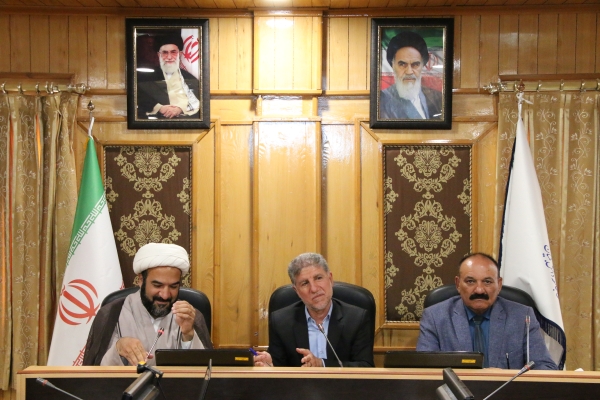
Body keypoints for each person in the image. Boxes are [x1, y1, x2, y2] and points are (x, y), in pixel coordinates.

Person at [417, 253, 557, 370]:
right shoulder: (435, 317)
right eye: (470, 281)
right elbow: (424, 369)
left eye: (487, 282)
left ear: (499, 285)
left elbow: (546, 367)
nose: (479, 290)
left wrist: (505, 378)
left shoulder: (521, 316)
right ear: (458, 284)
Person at [82, 243, 212, 366]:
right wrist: (118, 348)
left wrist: (188, 335)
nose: (165, 295)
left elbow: (206, 372)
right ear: (140, 280)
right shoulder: (112, 313)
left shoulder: (190, 316)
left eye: (173, 286)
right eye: (157, 285)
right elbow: (95, 373)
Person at [253, 253, 374, 367]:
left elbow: (365, 366)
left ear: (330, 279)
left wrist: (322, 364)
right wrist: (271, 366)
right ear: (297, 291)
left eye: (318, 278)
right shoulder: (281, 321)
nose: (314, 289)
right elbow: (279, 367)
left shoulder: (357, 318)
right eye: (305, 283)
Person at [380, 30, 442, 120]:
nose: (409, 72)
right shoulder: (382, 100)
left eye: (415, 64)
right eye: (402, 64)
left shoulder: (437, 97)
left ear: (422, 66)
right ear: (393, 65)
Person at [136, 32, 200, 119]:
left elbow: (198, 101)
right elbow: (139, 97)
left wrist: (180, 109)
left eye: (173, 52)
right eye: (165, 53)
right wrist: (160, 108)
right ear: (159, 55)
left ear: (180, 54)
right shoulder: (145, 76)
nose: (169, 57)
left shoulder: (189, 78)